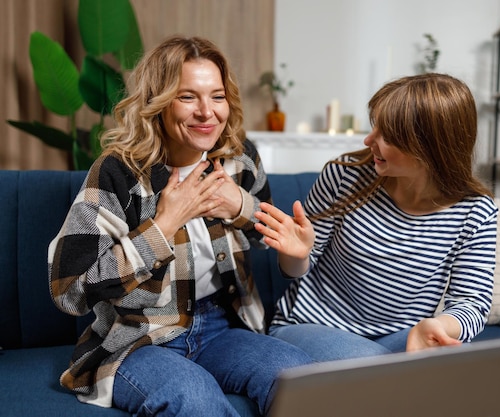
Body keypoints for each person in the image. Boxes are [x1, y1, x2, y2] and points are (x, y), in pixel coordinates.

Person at [47, 35, 312, 417]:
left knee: (300, 380)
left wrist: (242, 206)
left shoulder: (239, 158)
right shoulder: (117, 172)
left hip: (223, 327)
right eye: (188, 96)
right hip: (139, 339)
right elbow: (69, 290)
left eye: (217, 96)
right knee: (195, 399)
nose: (208, 112)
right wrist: (165, 224)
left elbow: (271, 242)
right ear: (158, 102)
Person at [254, 73, 498, 362]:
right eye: (375, 128)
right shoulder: (345, 175)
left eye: (388, 136)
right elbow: (298, 269)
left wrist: (438, 325)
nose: (369, 140)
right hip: (312, 325)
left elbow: (471, 303)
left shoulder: (476, 211)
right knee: (376, 368)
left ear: (430, 148)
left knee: (461, 363)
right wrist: (297, 255)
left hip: (397, 336)